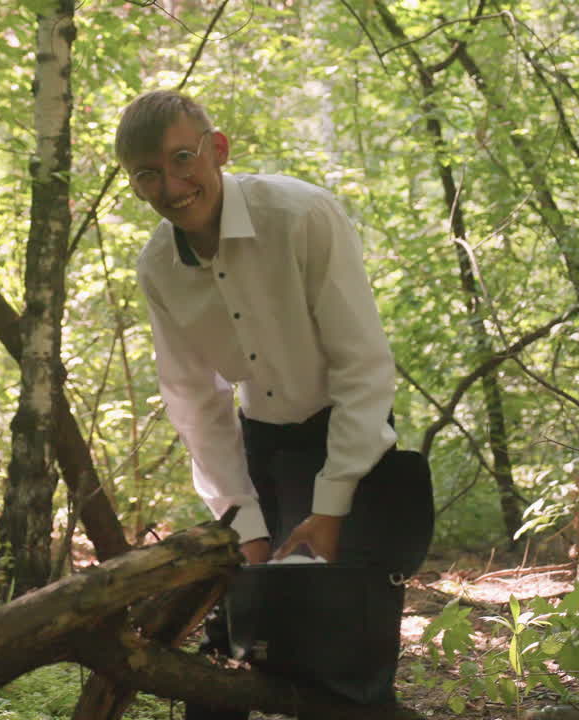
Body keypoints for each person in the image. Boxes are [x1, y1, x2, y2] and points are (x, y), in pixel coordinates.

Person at [118, 90, 399, 718]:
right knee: (232, 652)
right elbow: (195, 404)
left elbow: (363, 367)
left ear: (217, 150)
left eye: (183, 158)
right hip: (260, 454)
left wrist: (331, 506)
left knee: (348, 665)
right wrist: (243, 522)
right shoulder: (159, 267)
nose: (172, 185)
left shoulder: (300, 215)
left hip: (350, 440)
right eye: (148, 175)